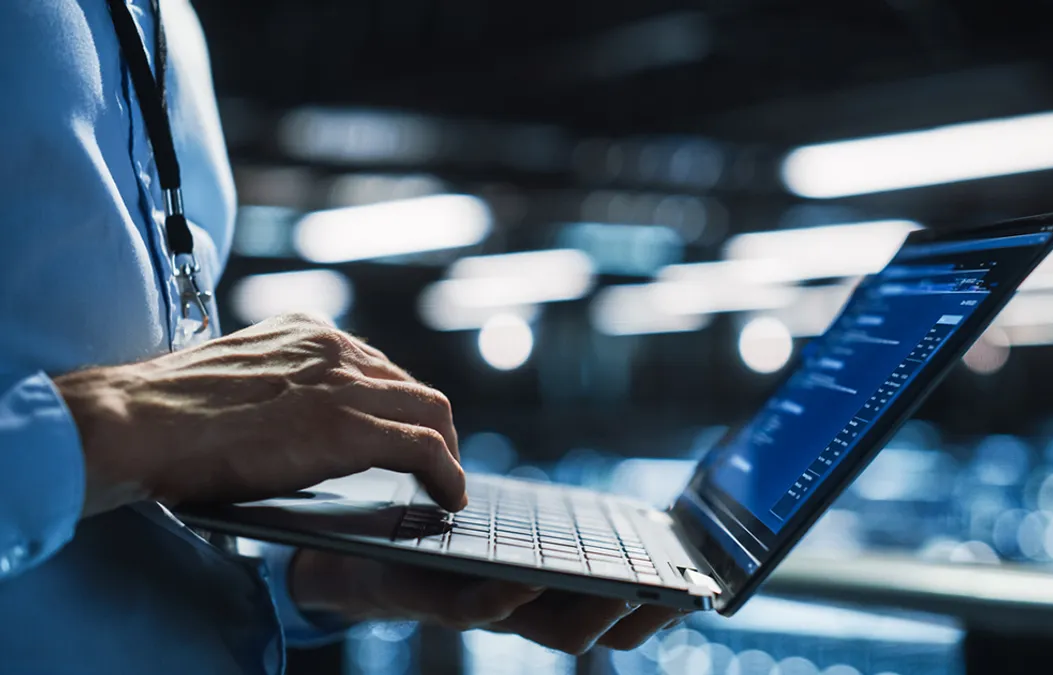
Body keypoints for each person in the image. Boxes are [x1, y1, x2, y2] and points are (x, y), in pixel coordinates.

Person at [0, 1, 685, 673]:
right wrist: (125, 419)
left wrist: (331, 568)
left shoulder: (171, 26)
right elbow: (147, 433)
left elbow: (136, 520)